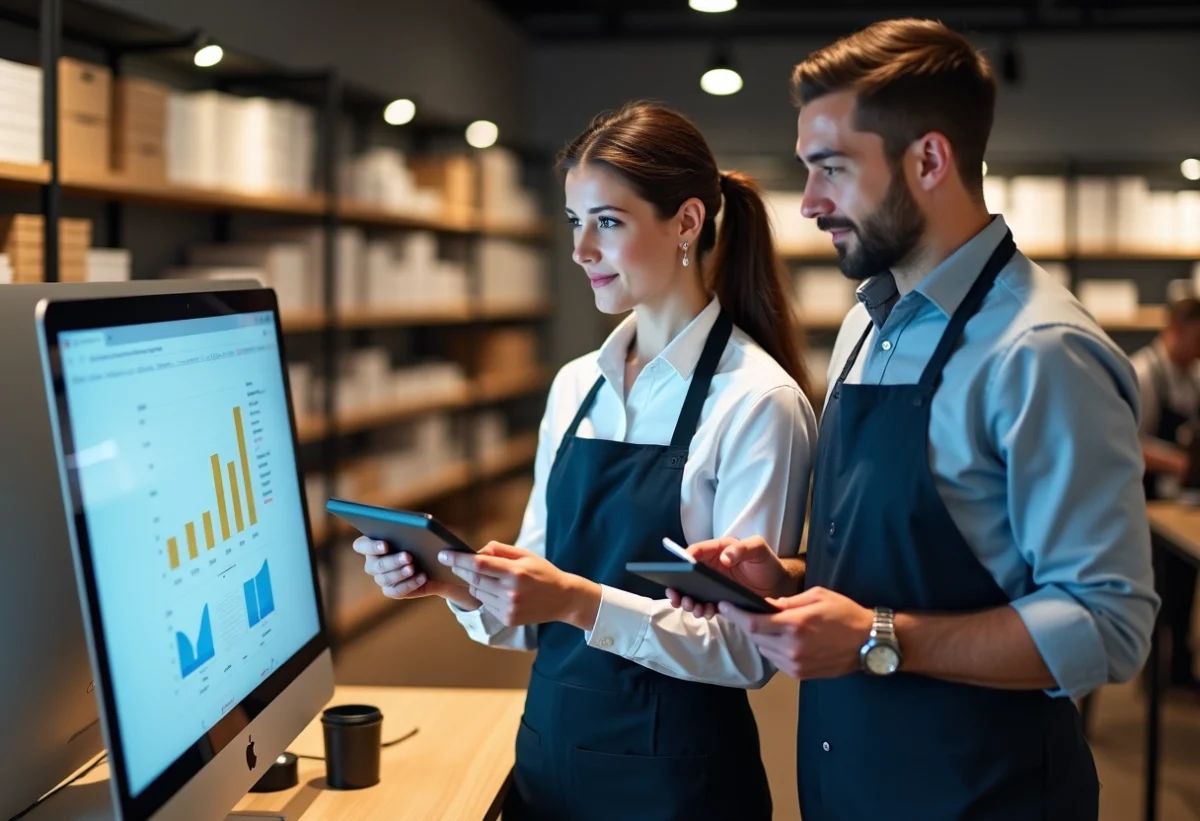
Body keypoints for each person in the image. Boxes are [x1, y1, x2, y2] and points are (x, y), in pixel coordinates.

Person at [671, 18, 1159, 820]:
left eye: (831, 169)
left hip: (982, 795)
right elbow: (914, 563)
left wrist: (877, 635)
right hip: (849, 784)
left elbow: (1108, 625)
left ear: (929, 160)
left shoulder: (1042, 351)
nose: (810, 203)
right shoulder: (867, 324)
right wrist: (789, 582)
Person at [353, 102, 818, 821]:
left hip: (676, 783)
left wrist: (577, 600)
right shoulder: (576, 385)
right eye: (575, 221)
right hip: (551, 755)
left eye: (607, 221)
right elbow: (535, 605)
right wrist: (456, 584)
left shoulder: (759, 402)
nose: (580, 250)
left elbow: (748, 653)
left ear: (687, 221)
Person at [1132, 297, 1200, 693]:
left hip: (1182, 501)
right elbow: (1126, 440)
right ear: (1177, 329)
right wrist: (1176, 461)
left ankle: (1180, 666)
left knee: (1185, 586)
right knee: (1158, 588)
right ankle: (1153, 669)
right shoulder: (1144, 373)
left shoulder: (1192, 377)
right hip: (1146, 501)